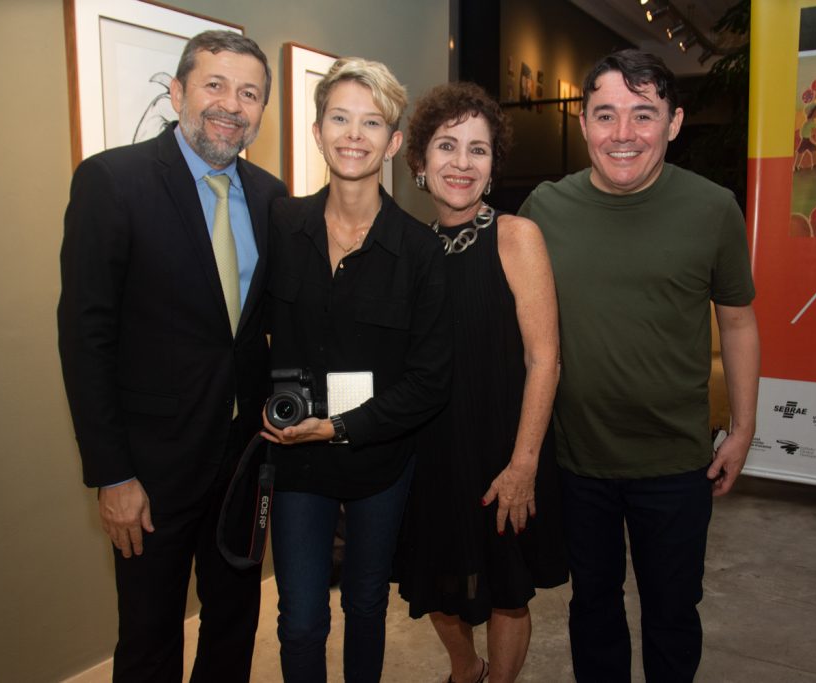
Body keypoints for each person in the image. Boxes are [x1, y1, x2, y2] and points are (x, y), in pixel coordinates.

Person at [518, 49, 760, 682]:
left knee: (673, 613)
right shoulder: (544, 209)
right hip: (576, 462)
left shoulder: (713, 209)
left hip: (677, 463)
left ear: (674, 123)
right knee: (591, 610)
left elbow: (738, 321)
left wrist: (743, 427)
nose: (622, 134)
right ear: (584, 124)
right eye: (605, 115)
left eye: (643, 115)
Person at [58, 31, 287, 681]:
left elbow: (272, 326)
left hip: (245, 460)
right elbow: (85, 338)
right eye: (214, 84)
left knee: (234, 621)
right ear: (178, 90)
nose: (230, 104)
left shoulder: (272, 198)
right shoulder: (113, 182)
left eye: (249, 93)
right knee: (151, 636)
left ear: (261, 111)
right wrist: (112, 475)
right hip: (150, 472)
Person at [261, 57, 451, 683]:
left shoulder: (421, 252)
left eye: (372, 123)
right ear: (317, 130)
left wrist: (339, 428)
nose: (353, 134)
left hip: (379, 462)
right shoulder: (282, 226)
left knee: (367, 606)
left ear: (394, 143)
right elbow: (250, 338)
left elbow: (428, 381)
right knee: (300, 621)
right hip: (296, 461)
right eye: (339, 118)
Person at [396, 82, 569, 683]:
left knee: (506, 589)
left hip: (503, 447)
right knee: (438, 586)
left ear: (494, 164)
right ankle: (466, 670)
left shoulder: (516, 237)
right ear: (420, 162)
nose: (462, 164)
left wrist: (523, 464)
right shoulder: (409, 248)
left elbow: (544, 360)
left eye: (479, 150)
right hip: (431, 452)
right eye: (447, 147)